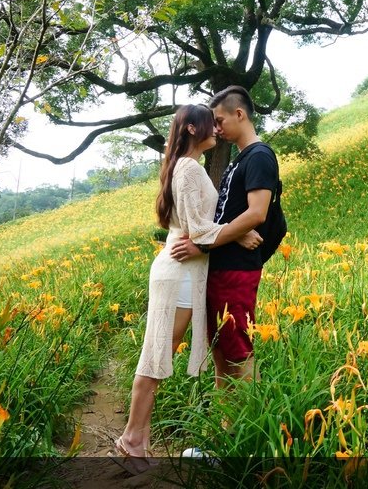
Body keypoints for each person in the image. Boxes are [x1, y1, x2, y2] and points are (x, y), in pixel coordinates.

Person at [111, 104, 262, 473]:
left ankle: (139, 440)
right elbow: (198, 229)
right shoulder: (189, 168)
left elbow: (202, 224)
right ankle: (131, 439)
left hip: (182, 271)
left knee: (161, 353)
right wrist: (240, 235)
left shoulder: (184, 165)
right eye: (212, 121)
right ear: (194, 128)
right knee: (158, 355)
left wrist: (228, 232)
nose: (218, 126)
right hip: (178, 274)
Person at [171, 85, 278, 388]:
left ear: (239, 114)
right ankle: (227, 427)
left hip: (237, 268)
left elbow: (257, 213)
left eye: (219, 120)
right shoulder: (239, 160)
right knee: (222, 347)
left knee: (238, 348)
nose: (215, 128)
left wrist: (203, 243)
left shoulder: (259, 156)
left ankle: (250, 427)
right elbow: (227, 214)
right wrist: (225, 237)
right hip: (222, 264)